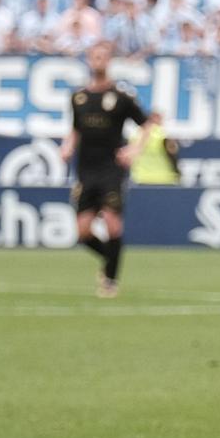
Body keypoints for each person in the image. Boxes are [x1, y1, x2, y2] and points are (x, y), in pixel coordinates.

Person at [59, 42, 146, 299]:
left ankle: (110, 280)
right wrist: (66, 146)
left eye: (103, 57)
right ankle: (109, 261)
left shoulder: (121, 97)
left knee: (112, 225)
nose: (98, 61)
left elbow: (147, 124)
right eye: (94, 56)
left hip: (111, 170)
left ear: (109, 61)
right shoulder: (78, 98)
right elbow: (76, 130)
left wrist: (134, 149)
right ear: (88, 59)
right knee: (83, 232)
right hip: (86, 170)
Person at [130, 111, 181, 186]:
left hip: (142, 178)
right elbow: (173, 154)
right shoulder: (163, 135)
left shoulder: (135, 136)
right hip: (164, 179)